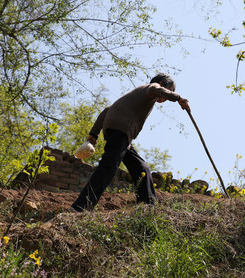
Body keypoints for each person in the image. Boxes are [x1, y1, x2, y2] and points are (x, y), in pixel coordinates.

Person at [71, 73, 190, 212]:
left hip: (121, 134)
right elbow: (155, 89)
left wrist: (93, 134)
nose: (169, 95)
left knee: (141, 169)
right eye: (171, 90)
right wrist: (178, 98)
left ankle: (148, 207)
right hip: (120, 131)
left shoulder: (137, 94)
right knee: (108, 167)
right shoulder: (152, 88)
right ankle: (81, 206)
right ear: (163, 84)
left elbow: (108, 109)